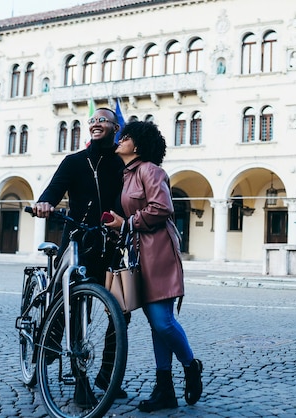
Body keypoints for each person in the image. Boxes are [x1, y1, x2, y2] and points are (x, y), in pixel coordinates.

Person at [31, 107, 128, 405]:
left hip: (110, 243)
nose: (96, 123)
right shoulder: (74, 161)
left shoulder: (123, 164)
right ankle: (80, 378)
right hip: (77, 240)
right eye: (92, 121)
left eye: (102, 120)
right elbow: (54, 189)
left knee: (121, 310)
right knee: (77, 309)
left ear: (115, 127)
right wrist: (44, 203)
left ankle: (106, 374)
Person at [105, 121, 203, 412]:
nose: (120, 141)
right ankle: (165, 390)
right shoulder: (127, 175)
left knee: (162, 321)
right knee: (155, 325)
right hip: (139, 254)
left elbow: (162, 208)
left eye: (125, 138)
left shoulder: (150, 170)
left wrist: (128, 223)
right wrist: (118, 227)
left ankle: (191, 365)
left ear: (137, 145)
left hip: (159, 252)